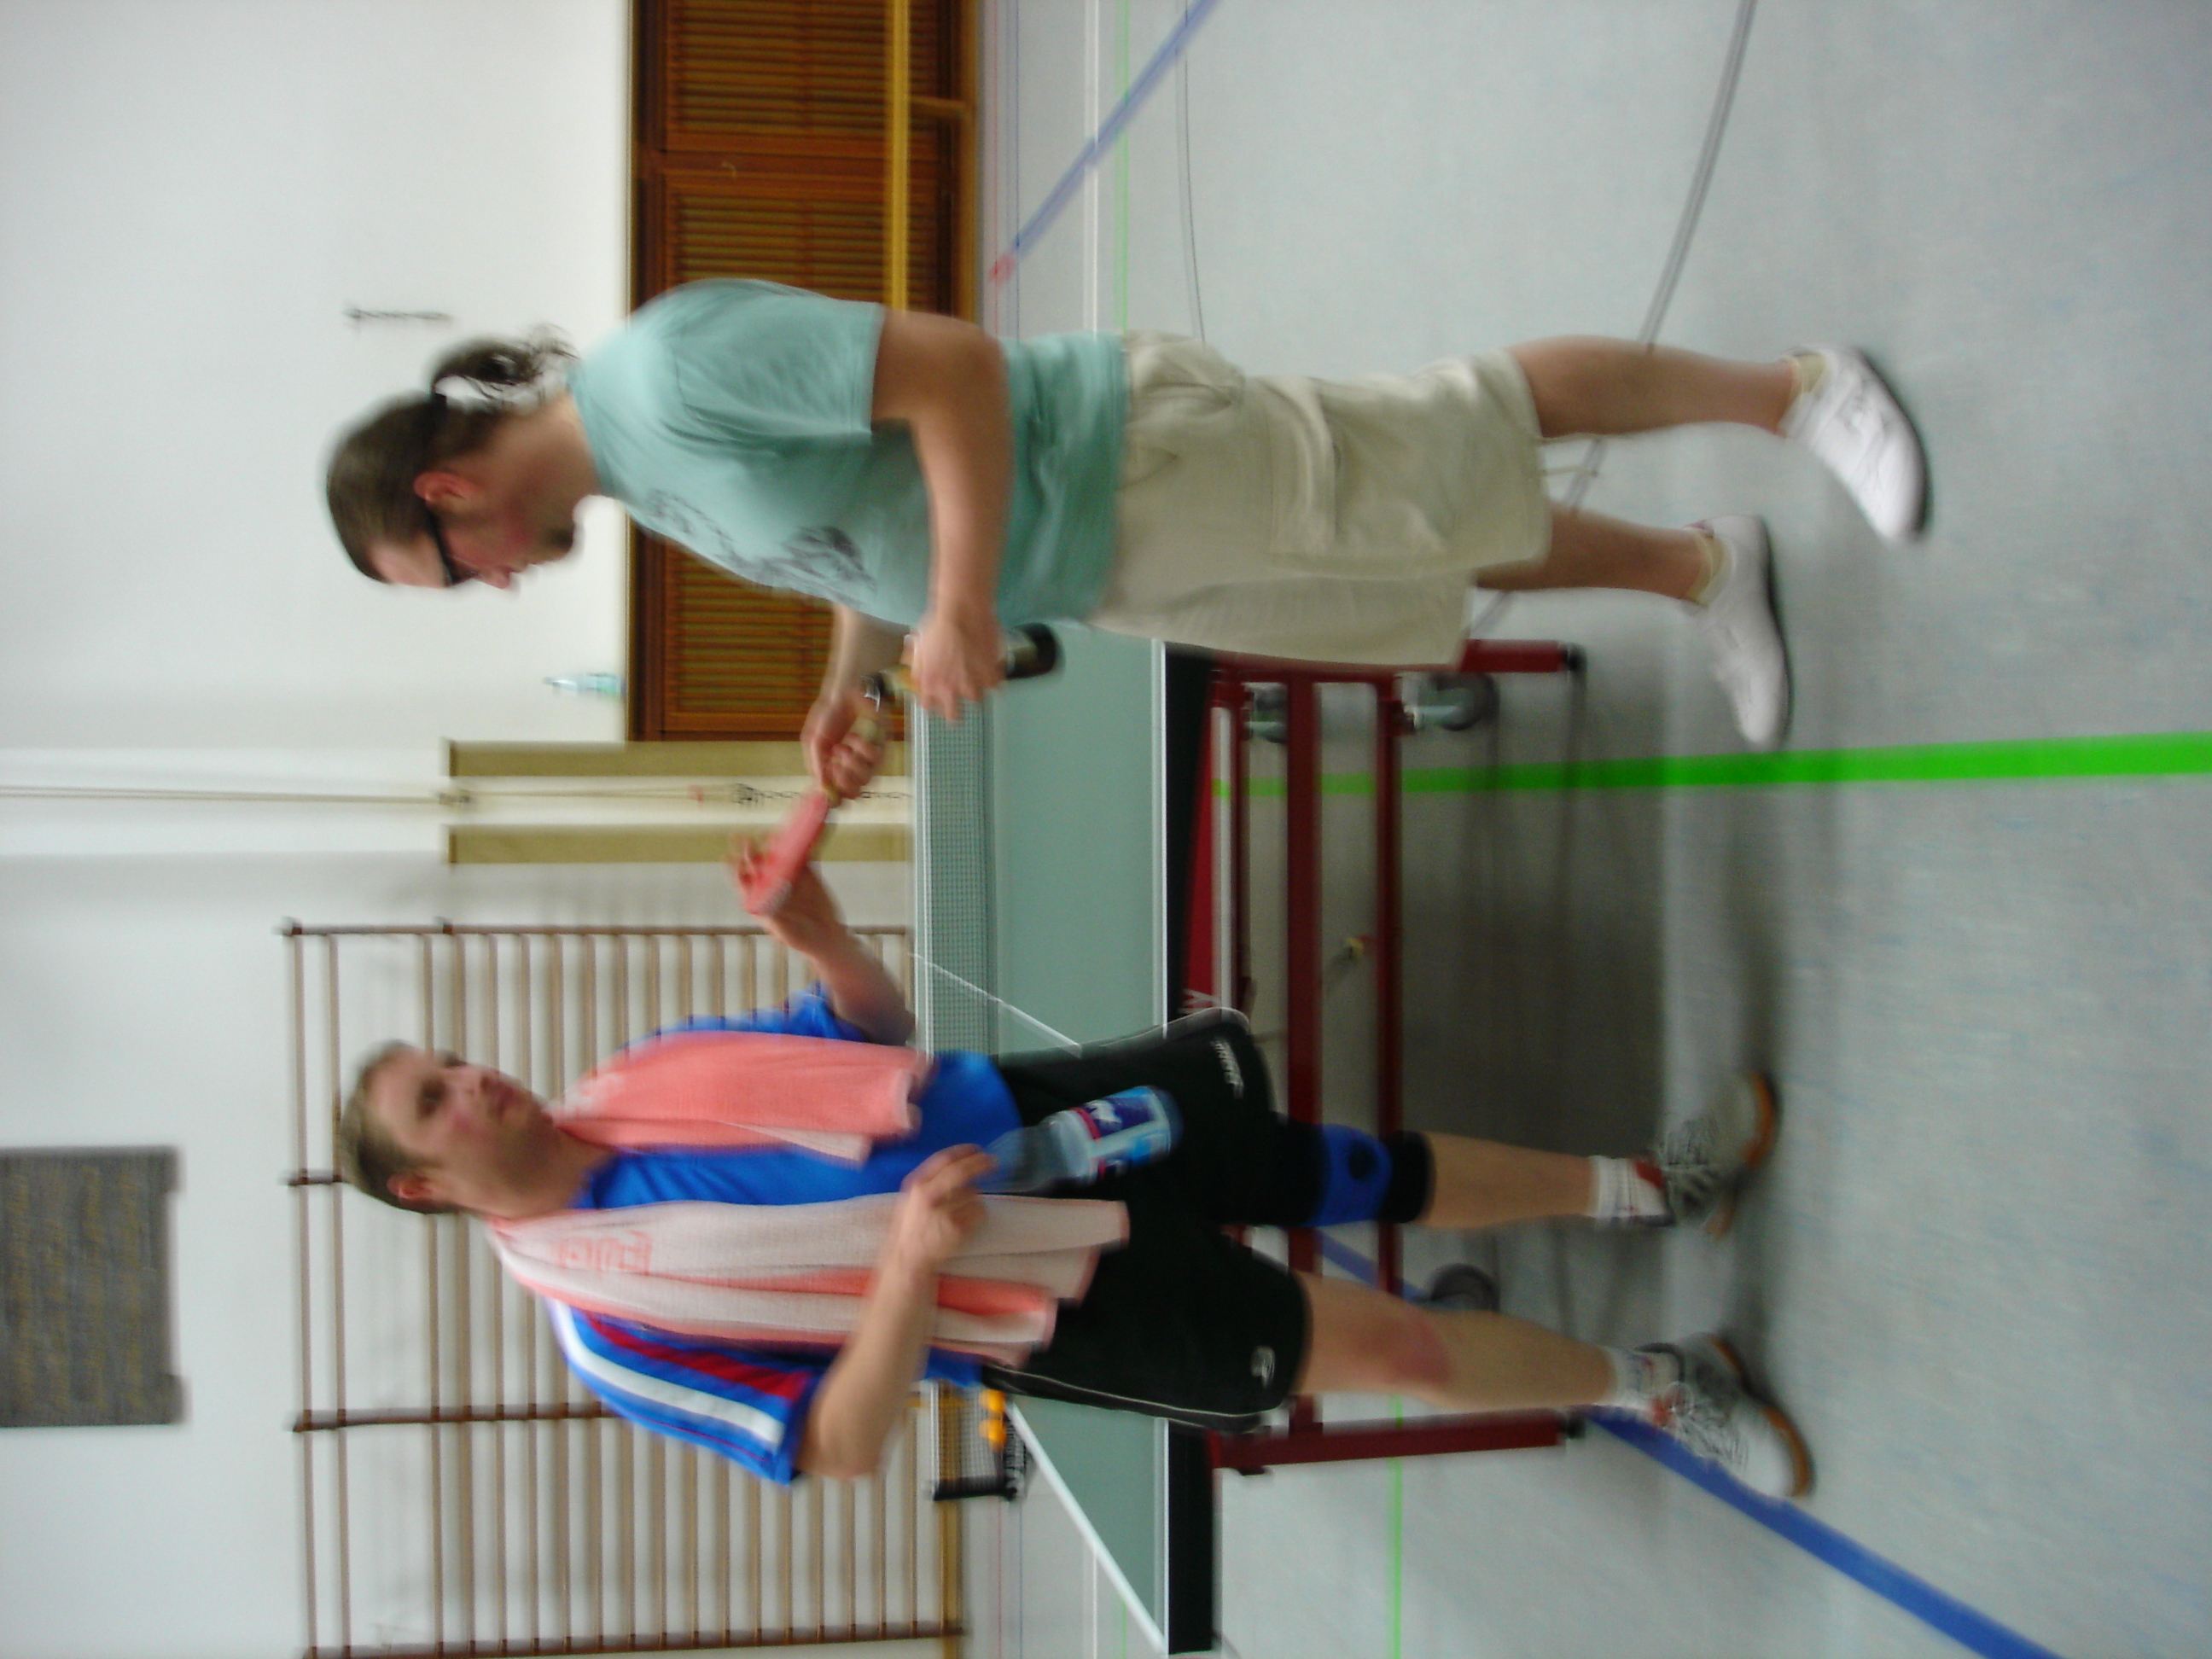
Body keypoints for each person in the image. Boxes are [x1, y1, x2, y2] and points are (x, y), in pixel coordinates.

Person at [335, 847, 1813, 1499]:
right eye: (436, 1102)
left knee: (1347, 1167)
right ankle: (1656, 1384)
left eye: (450, 1063)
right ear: (426, 1186)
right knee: (1395, 1349)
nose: (475, 1080)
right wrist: (910, 1271)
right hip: (1041, 1299)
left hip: (1039, 1115)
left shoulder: (634, 1073)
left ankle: (1645, 1185)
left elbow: (871, 1034)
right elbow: (838, 1444)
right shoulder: (610, 1337)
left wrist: (821, 936)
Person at [323, 279, 1928, 754]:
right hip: (1114, 564)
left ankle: (1793, 391)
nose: (491, 585)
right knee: (1430, 536)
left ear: (450, 492)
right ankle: (1697, 572)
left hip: (1127, 457)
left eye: (451, 571)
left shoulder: (667, 376)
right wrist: (847, 682)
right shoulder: (639, 480)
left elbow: (952, 372)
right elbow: (855, 534)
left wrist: (962, 605)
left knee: (1464, 425)